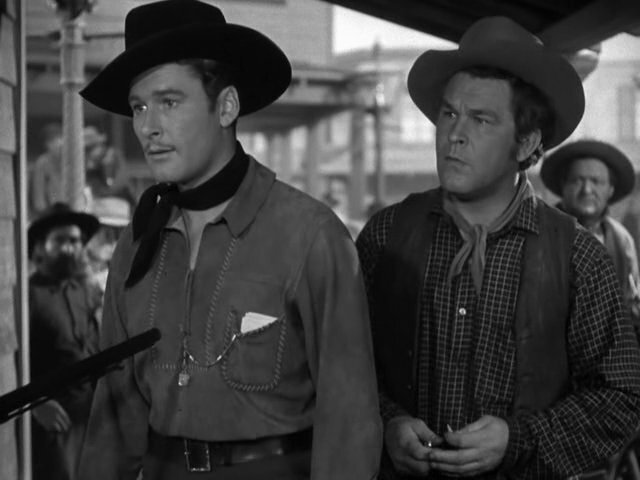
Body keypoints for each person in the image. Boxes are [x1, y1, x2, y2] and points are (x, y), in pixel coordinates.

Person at [77, 1, 382, 479]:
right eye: (139, 107)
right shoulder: (136, 245)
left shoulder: (311, 235)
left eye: (169, 102)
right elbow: (112, 424)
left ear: (226, 106)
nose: (148, 127)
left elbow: (350, 423)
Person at [356, 16, 640, 480]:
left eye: (481, 119)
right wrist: (386, 423)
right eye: (449, 114)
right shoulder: (387, 235)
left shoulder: (578, 257)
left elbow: (621, 397)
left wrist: (518, 440)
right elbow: (342, 365)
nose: (455, 134)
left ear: (526, 142)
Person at [28, 202, 102, 480]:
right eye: (60, 241)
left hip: (92, 419)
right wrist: (35, 404)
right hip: (55, 426)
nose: (70, 248)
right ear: (40, 247)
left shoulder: (84, 292)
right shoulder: (28, 297)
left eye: (75, 241)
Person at [540, 139, 640, 336]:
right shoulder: (540, 231)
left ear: (610, 189)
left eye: (596, 181)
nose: (587, 190)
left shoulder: (621, 240)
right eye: (577, 180)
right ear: (563, 186)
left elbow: (629, 303)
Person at [30, 122, 64, 218]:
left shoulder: (69, 159)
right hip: (54, 211)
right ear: (47, 145)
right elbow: (38, 194)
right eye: (52, 141)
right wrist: (44, 213)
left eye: (60, 139)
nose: (58, 143)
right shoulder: (42, 162)